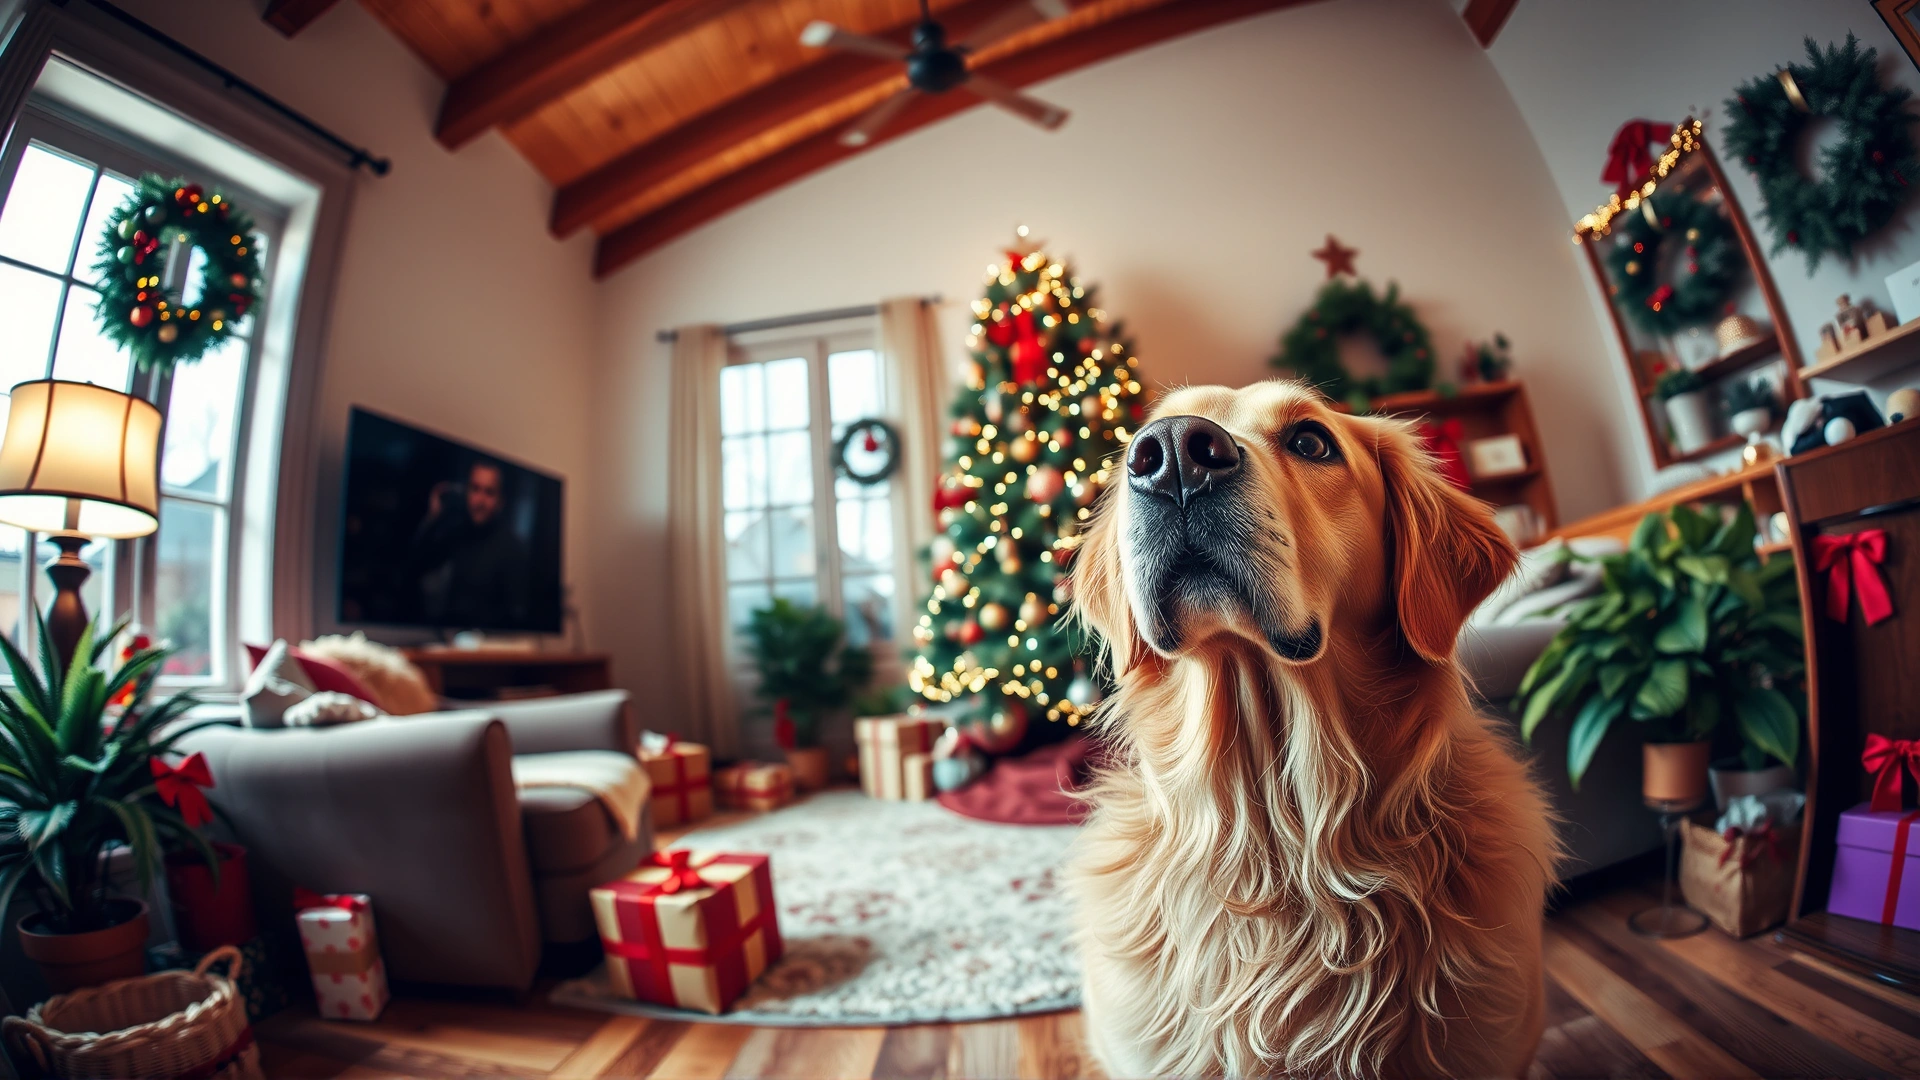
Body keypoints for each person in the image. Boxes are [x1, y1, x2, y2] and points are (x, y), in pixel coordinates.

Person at [410, 459, 529, 628]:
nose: (479, 500)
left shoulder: (512, 548)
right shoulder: (455, 533)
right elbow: (416, 568)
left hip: (488, 648)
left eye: (489, 492)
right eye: (475, 489)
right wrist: (433, 517)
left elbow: (516, 615)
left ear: (500, 500)